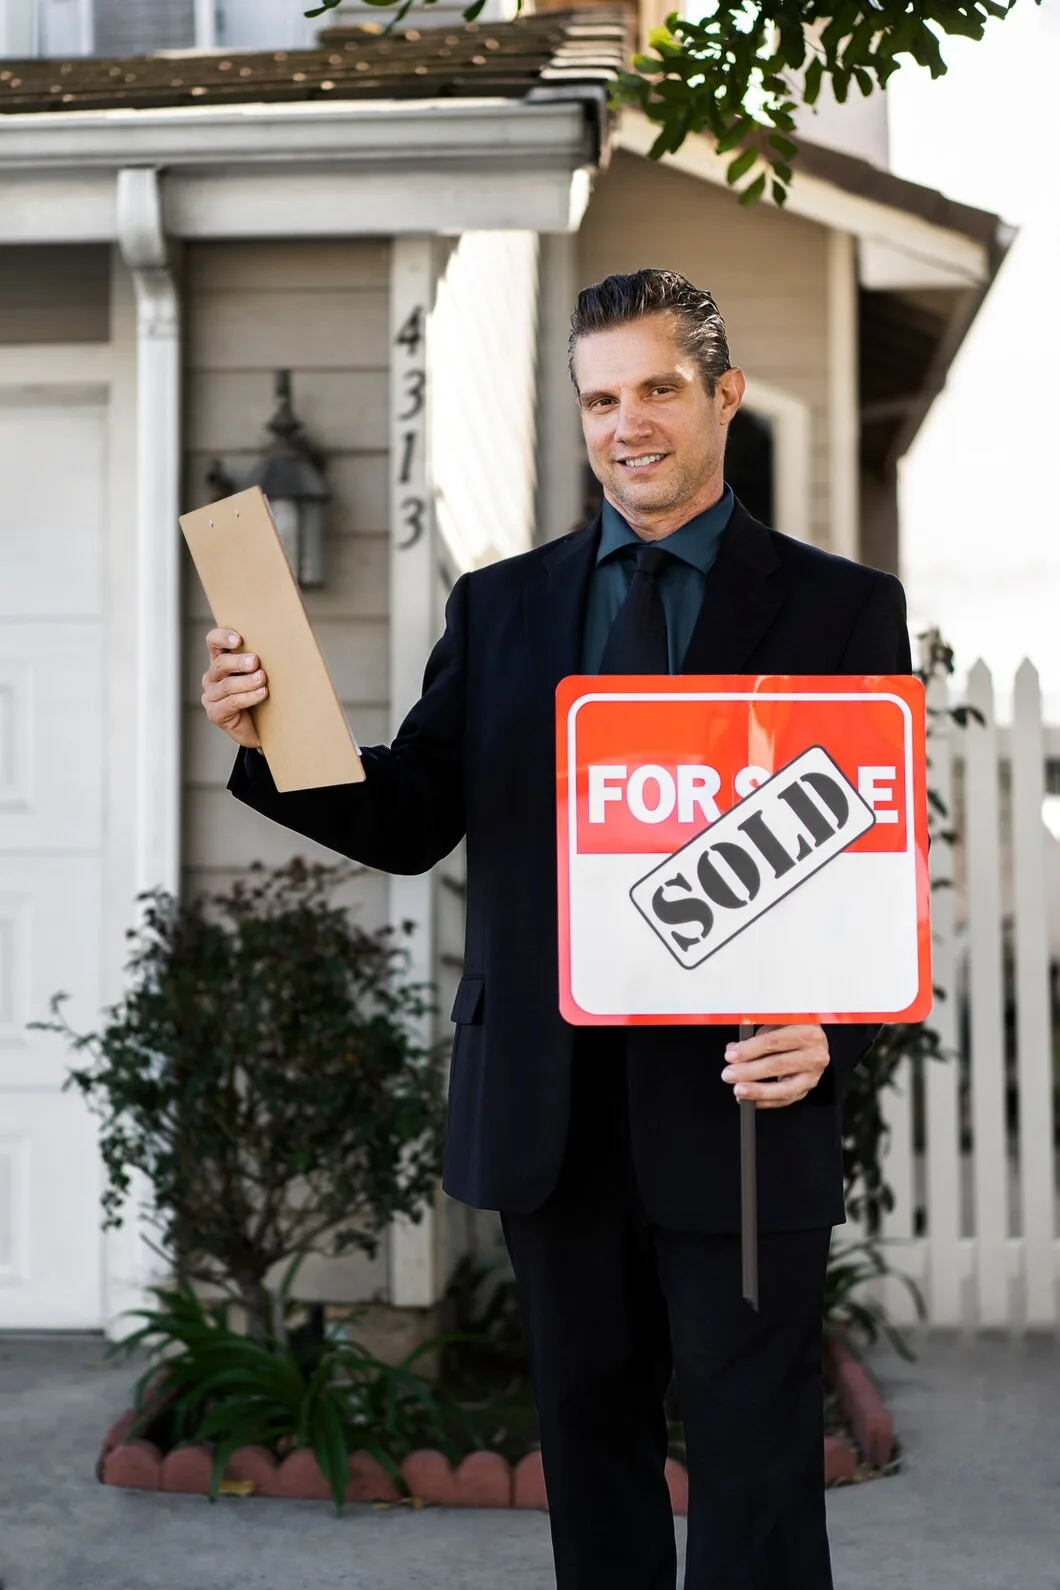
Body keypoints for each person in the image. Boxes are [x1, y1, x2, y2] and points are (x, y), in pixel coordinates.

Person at [202, 269, 911, 1590]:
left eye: (656, 388)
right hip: (551, 1108)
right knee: (589, 1451)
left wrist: (836, 1023)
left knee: (756, 1464)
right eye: (599, 397)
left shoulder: (839, 609)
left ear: (723, 394)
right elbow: (414, 813)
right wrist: (270, 738)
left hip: (743, 1108)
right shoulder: (505, 606)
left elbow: (868, 861)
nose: (626, 423)